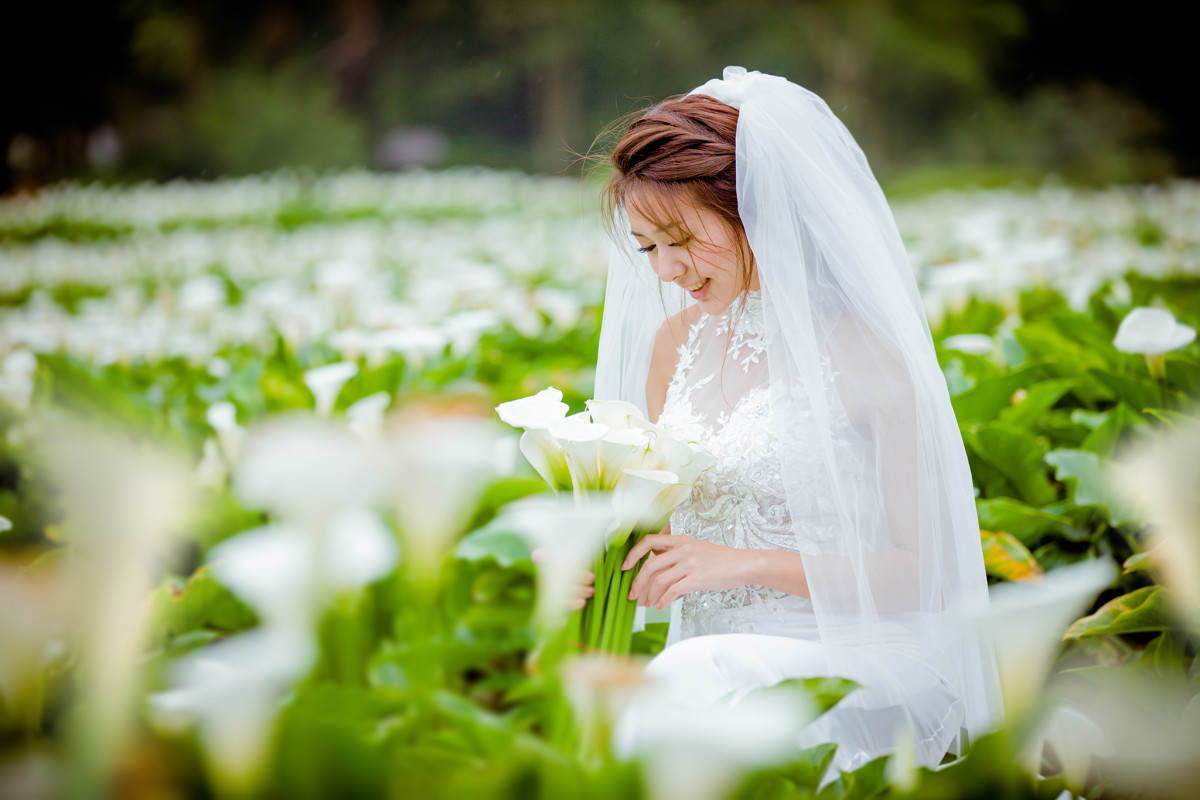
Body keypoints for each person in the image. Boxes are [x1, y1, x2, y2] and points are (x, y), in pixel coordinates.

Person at [591, 68, 1002, 772]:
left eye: (680, 239)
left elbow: (930, 573)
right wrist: (593, 568)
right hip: (708, 665)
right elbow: (664, 542)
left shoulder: (870, 352)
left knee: (690, 685)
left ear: (753, 208)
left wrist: (745, 564)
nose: (665, 270)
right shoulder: (673, 348)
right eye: (647, 247)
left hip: (859, 664)